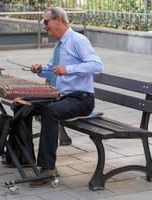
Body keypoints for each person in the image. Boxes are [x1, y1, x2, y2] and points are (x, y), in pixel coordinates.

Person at [29, 7, 103, 187]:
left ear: (59, 20)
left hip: (81, 99)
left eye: (46, 22)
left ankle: (48, 169)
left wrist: (68, 69)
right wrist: (41, 70)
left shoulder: (78, 40)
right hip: (61, 97)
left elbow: (97, 66)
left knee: (49, 112)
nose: (44, 26)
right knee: (23, 104)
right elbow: (52, 69)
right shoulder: (59, 44)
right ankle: (23, 156)